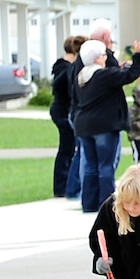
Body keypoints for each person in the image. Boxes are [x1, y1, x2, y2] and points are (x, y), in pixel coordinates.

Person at [72, 38, 140, 213]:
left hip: (84, 125)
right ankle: (106, 205)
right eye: (103, 55)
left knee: (90, 165)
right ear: (97, 58)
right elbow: (128, 76)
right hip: (104, 126)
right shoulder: (103, 76)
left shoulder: (82, 76)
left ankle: (89, 203)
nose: (106, 57)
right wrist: (138, 57)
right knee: (106, 166)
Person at [49, 34, 84, 199]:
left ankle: (65, 184)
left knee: (69, 149)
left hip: (66, 111)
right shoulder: (63, 67)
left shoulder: (67, 66)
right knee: (66, 148)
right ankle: (61, 187)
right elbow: (58, 86)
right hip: (62, 111)